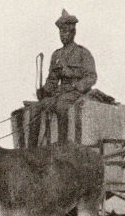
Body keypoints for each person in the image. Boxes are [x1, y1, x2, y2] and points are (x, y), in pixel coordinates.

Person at [35, 9, 97, 141]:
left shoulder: (82, 53)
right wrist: (44, 91)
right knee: (36, 108)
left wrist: (76, 85)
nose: (62, 35)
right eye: (60, 32)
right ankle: (31, 148)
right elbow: (52, 81)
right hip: (60, 92)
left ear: (73, 33)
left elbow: (91, 77)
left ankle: (62, 145)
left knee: (61, 106)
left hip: (75, 93)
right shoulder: (56, 55)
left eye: (65, 32)